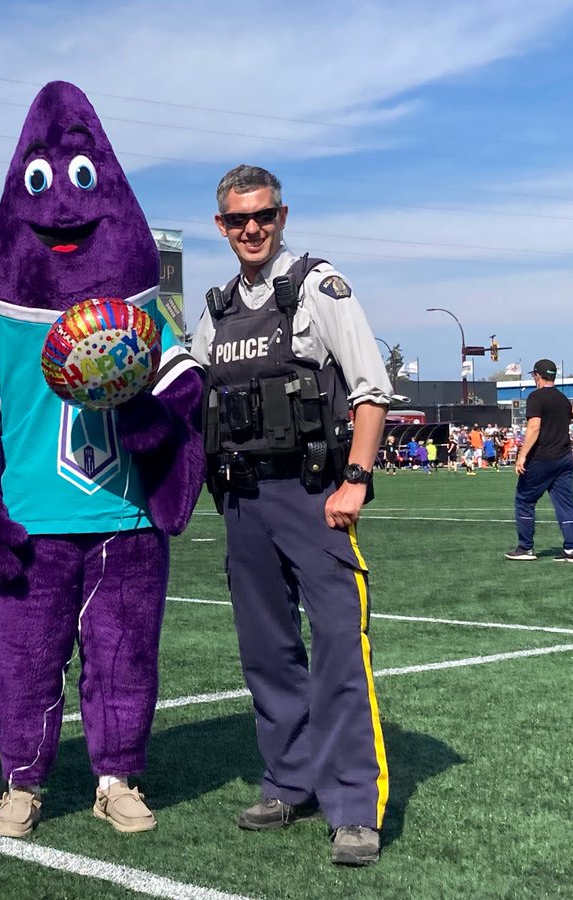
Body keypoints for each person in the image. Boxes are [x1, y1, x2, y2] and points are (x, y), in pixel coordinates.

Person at [191, 165, 390, 867]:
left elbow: (370, 389)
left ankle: (353, 807)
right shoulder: (214, 310)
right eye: (238, 219)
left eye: (264, 216)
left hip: (314, 496)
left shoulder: (316, 285)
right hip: (243, 501)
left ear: (281, 216)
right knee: (267, 652)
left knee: (338, 646)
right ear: (220, 226)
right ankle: (288, 781)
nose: (252, 229)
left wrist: (356, 481)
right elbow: (191, 398)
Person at [506, 359, 573, 562]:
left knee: (524, 500)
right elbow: (567, 419)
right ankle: (570, 550)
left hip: (542, 458)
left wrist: (522, 456)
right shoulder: (563, 398)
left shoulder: (536, 397)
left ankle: (525, 548)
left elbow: (534, 428)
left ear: (537, 375)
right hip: (564, 457)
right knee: (565, 504)